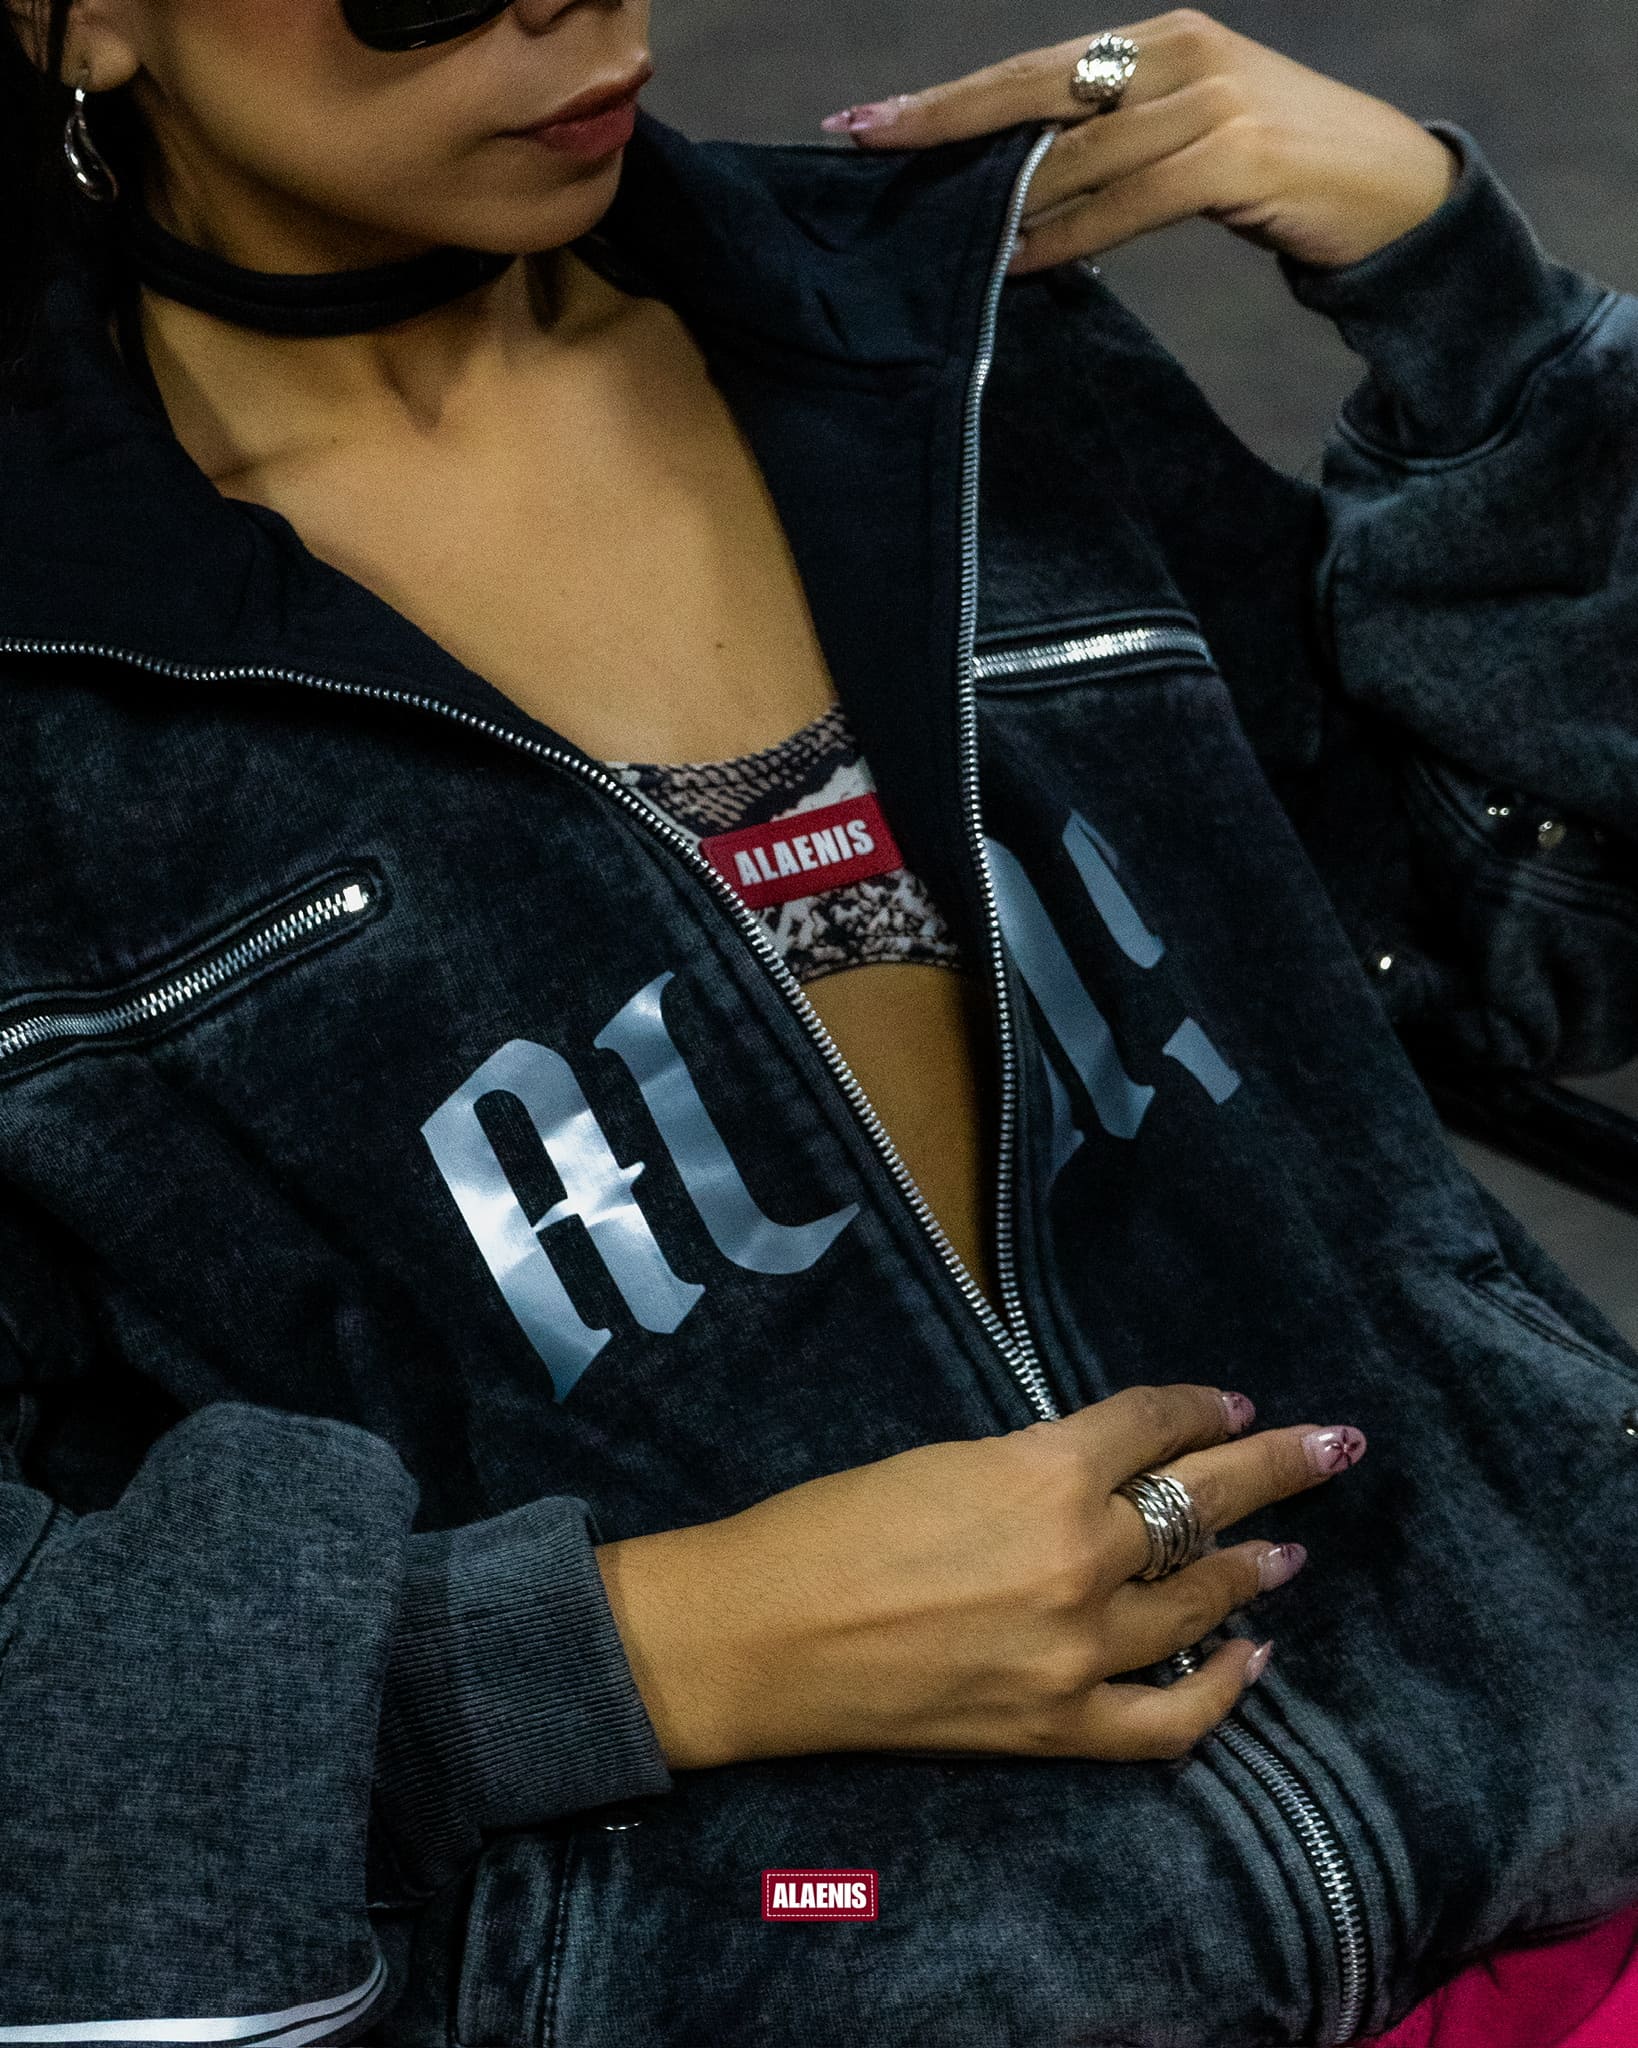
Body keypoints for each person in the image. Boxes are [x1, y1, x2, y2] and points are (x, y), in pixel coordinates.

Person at [0, 2, 1634, 2043]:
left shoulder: (932, 332)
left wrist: (1466, 310)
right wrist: (659, 1646)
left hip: (1576, 1889)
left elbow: (1529, 946)